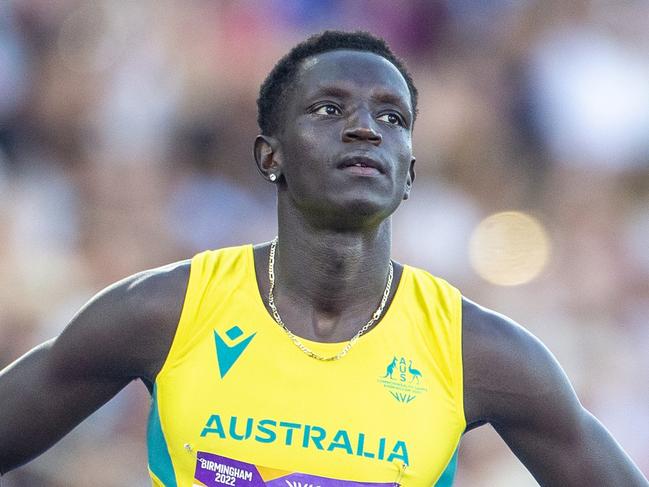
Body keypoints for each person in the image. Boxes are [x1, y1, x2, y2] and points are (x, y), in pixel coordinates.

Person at [0, 30, 647, 487]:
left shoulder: (477, 352)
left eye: (391, 117)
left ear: (409, 172)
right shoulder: (166, 311)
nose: (366, 127)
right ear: (269, 156)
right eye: (328, 108)